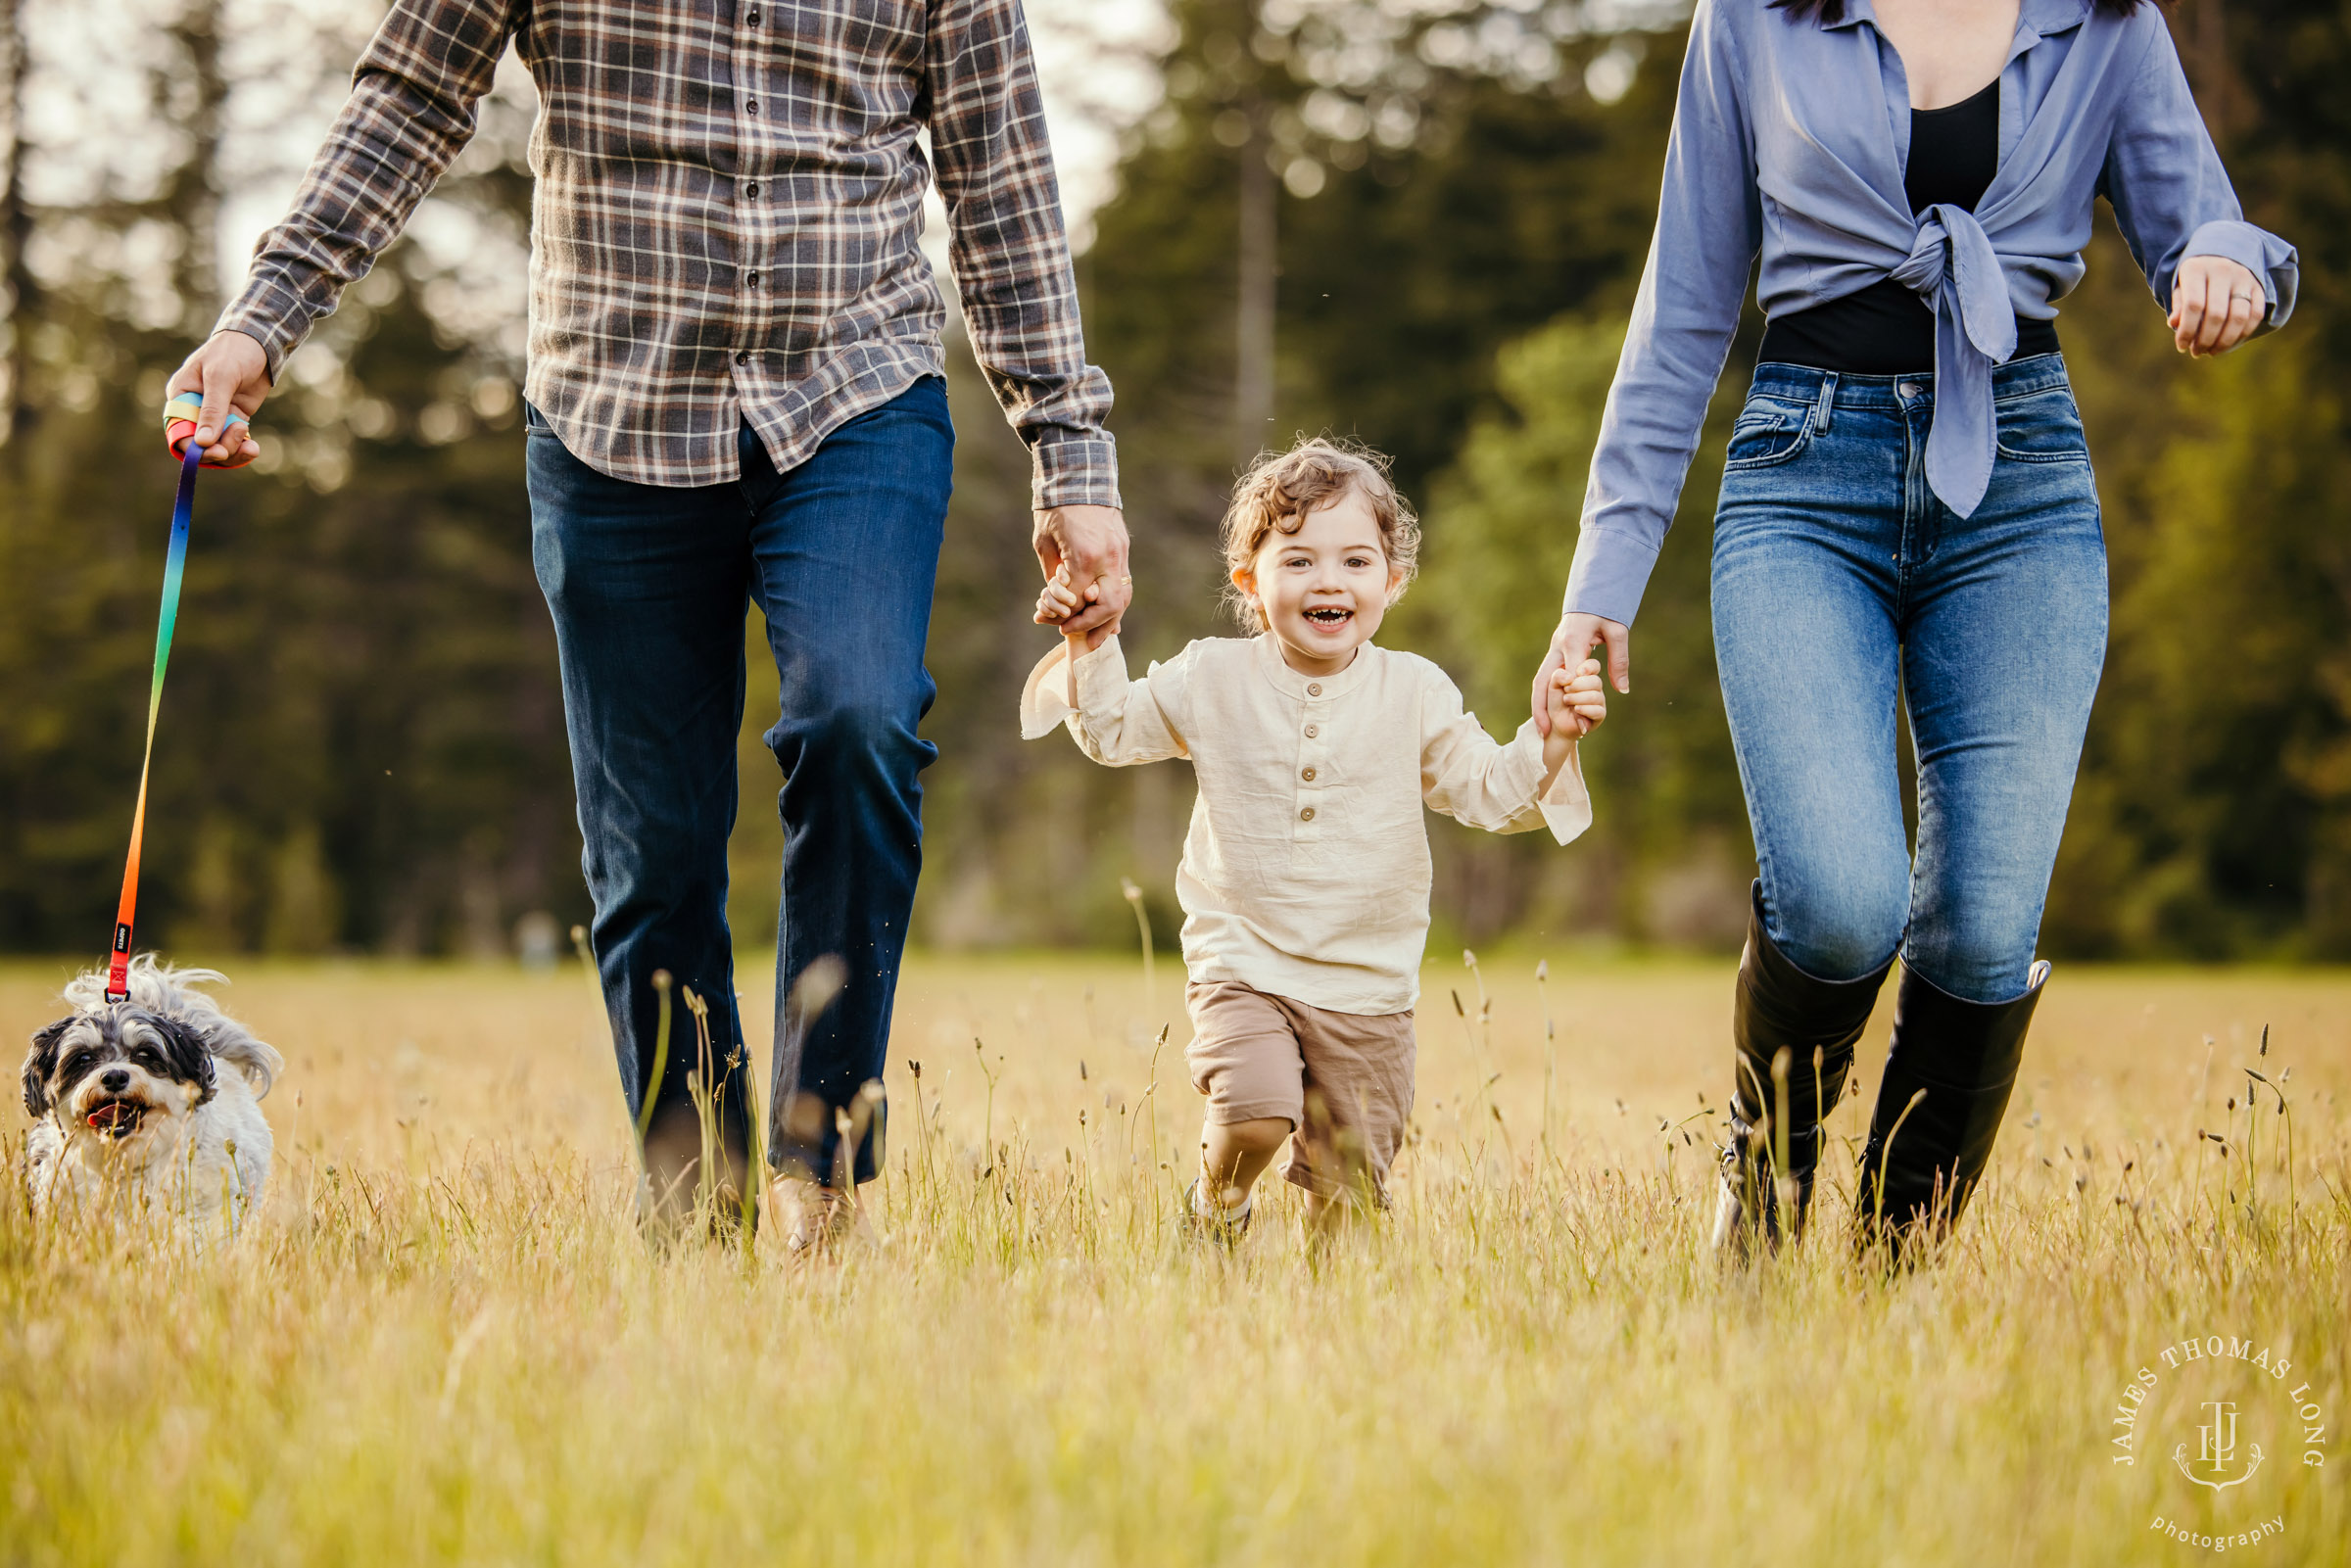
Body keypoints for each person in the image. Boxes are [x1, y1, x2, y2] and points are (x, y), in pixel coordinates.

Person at [166, 0, 1131, 1245]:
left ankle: (818, 1163)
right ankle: (698, 1184)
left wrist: (1071, 447)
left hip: (855, 385)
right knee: (652, 848)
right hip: (611, 401)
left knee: (859, 718)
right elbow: (410, 92)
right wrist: (266, 315)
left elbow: (1000, 165)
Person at [1526, 0, 2296, 1258]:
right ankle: (1761, 1198)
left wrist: (2225, 264)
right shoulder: (1757, 22)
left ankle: (1895, 1272)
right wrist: (1600, 579)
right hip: (1800, 474)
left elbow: (2207, 227)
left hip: (2022, 486)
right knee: (1837, 901)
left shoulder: (2103, 23)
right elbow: (1680, 310)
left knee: (1984, 929)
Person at [1025, 440, 1606, 1236]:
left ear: (1391, 582)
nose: (1328, 581)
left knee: (1351, 1191)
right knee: (1257, 1112)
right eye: (1297, 561)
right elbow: (1114, 730)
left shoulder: (1415, 692)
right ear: (1250, 585)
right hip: (1245, 958)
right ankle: (1217, 1204)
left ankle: (1332, 1325)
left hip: (1368, 981)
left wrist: (1554, 738)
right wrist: (1092, 641)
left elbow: (1488, 791)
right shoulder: (1212, 676)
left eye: (1356, 561)